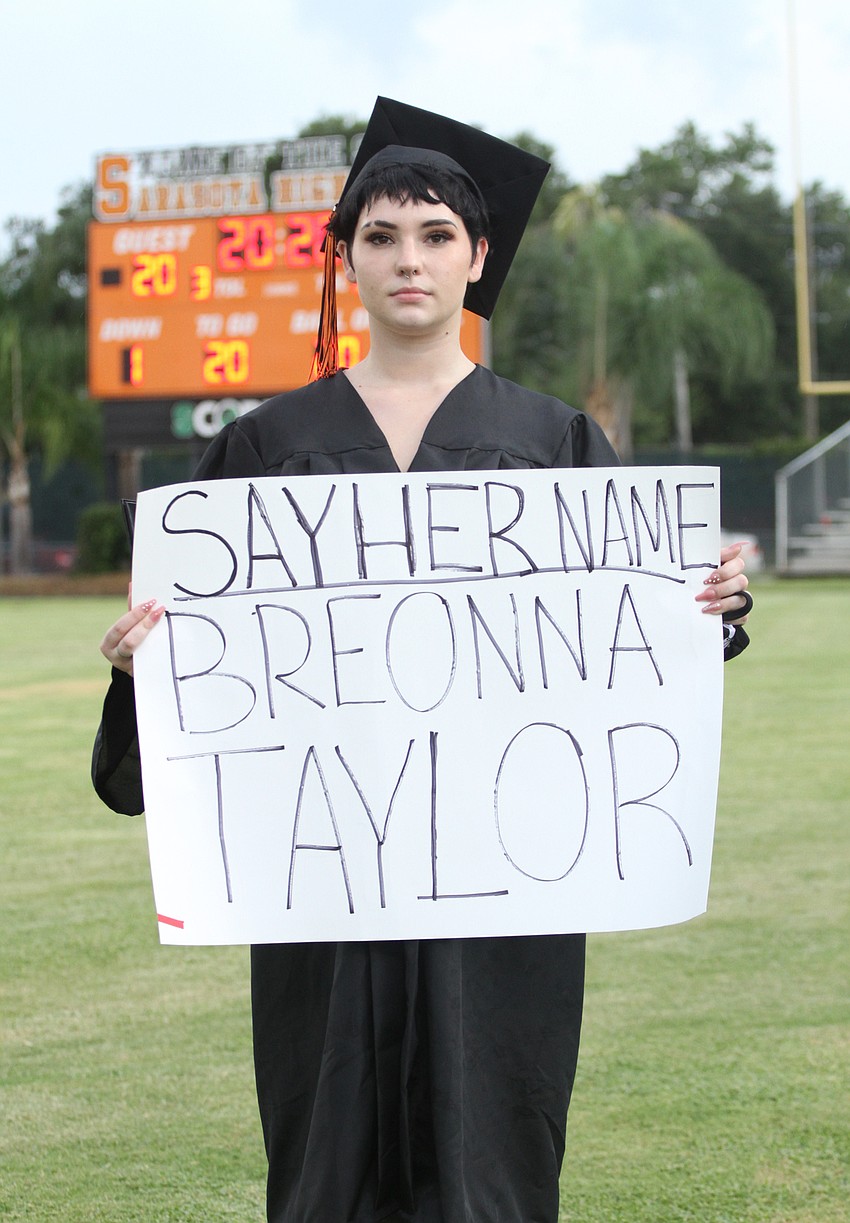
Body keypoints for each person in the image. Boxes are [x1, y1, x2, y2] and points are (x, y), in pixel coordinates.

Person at [93, 99, 752, 1223]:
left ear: (477, 257)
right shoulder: (263, 450)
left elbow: (627, 656)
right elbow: (179, 714)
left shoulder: (555, 445)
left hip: (504, 897)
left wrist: (709, 611)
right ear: (345, 257)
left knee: (490, 1162)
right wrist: (136, 669)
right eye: (383, 235)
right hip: (325, 897)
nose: (410, 259)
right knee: (327, 1164)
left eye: (437, 234)